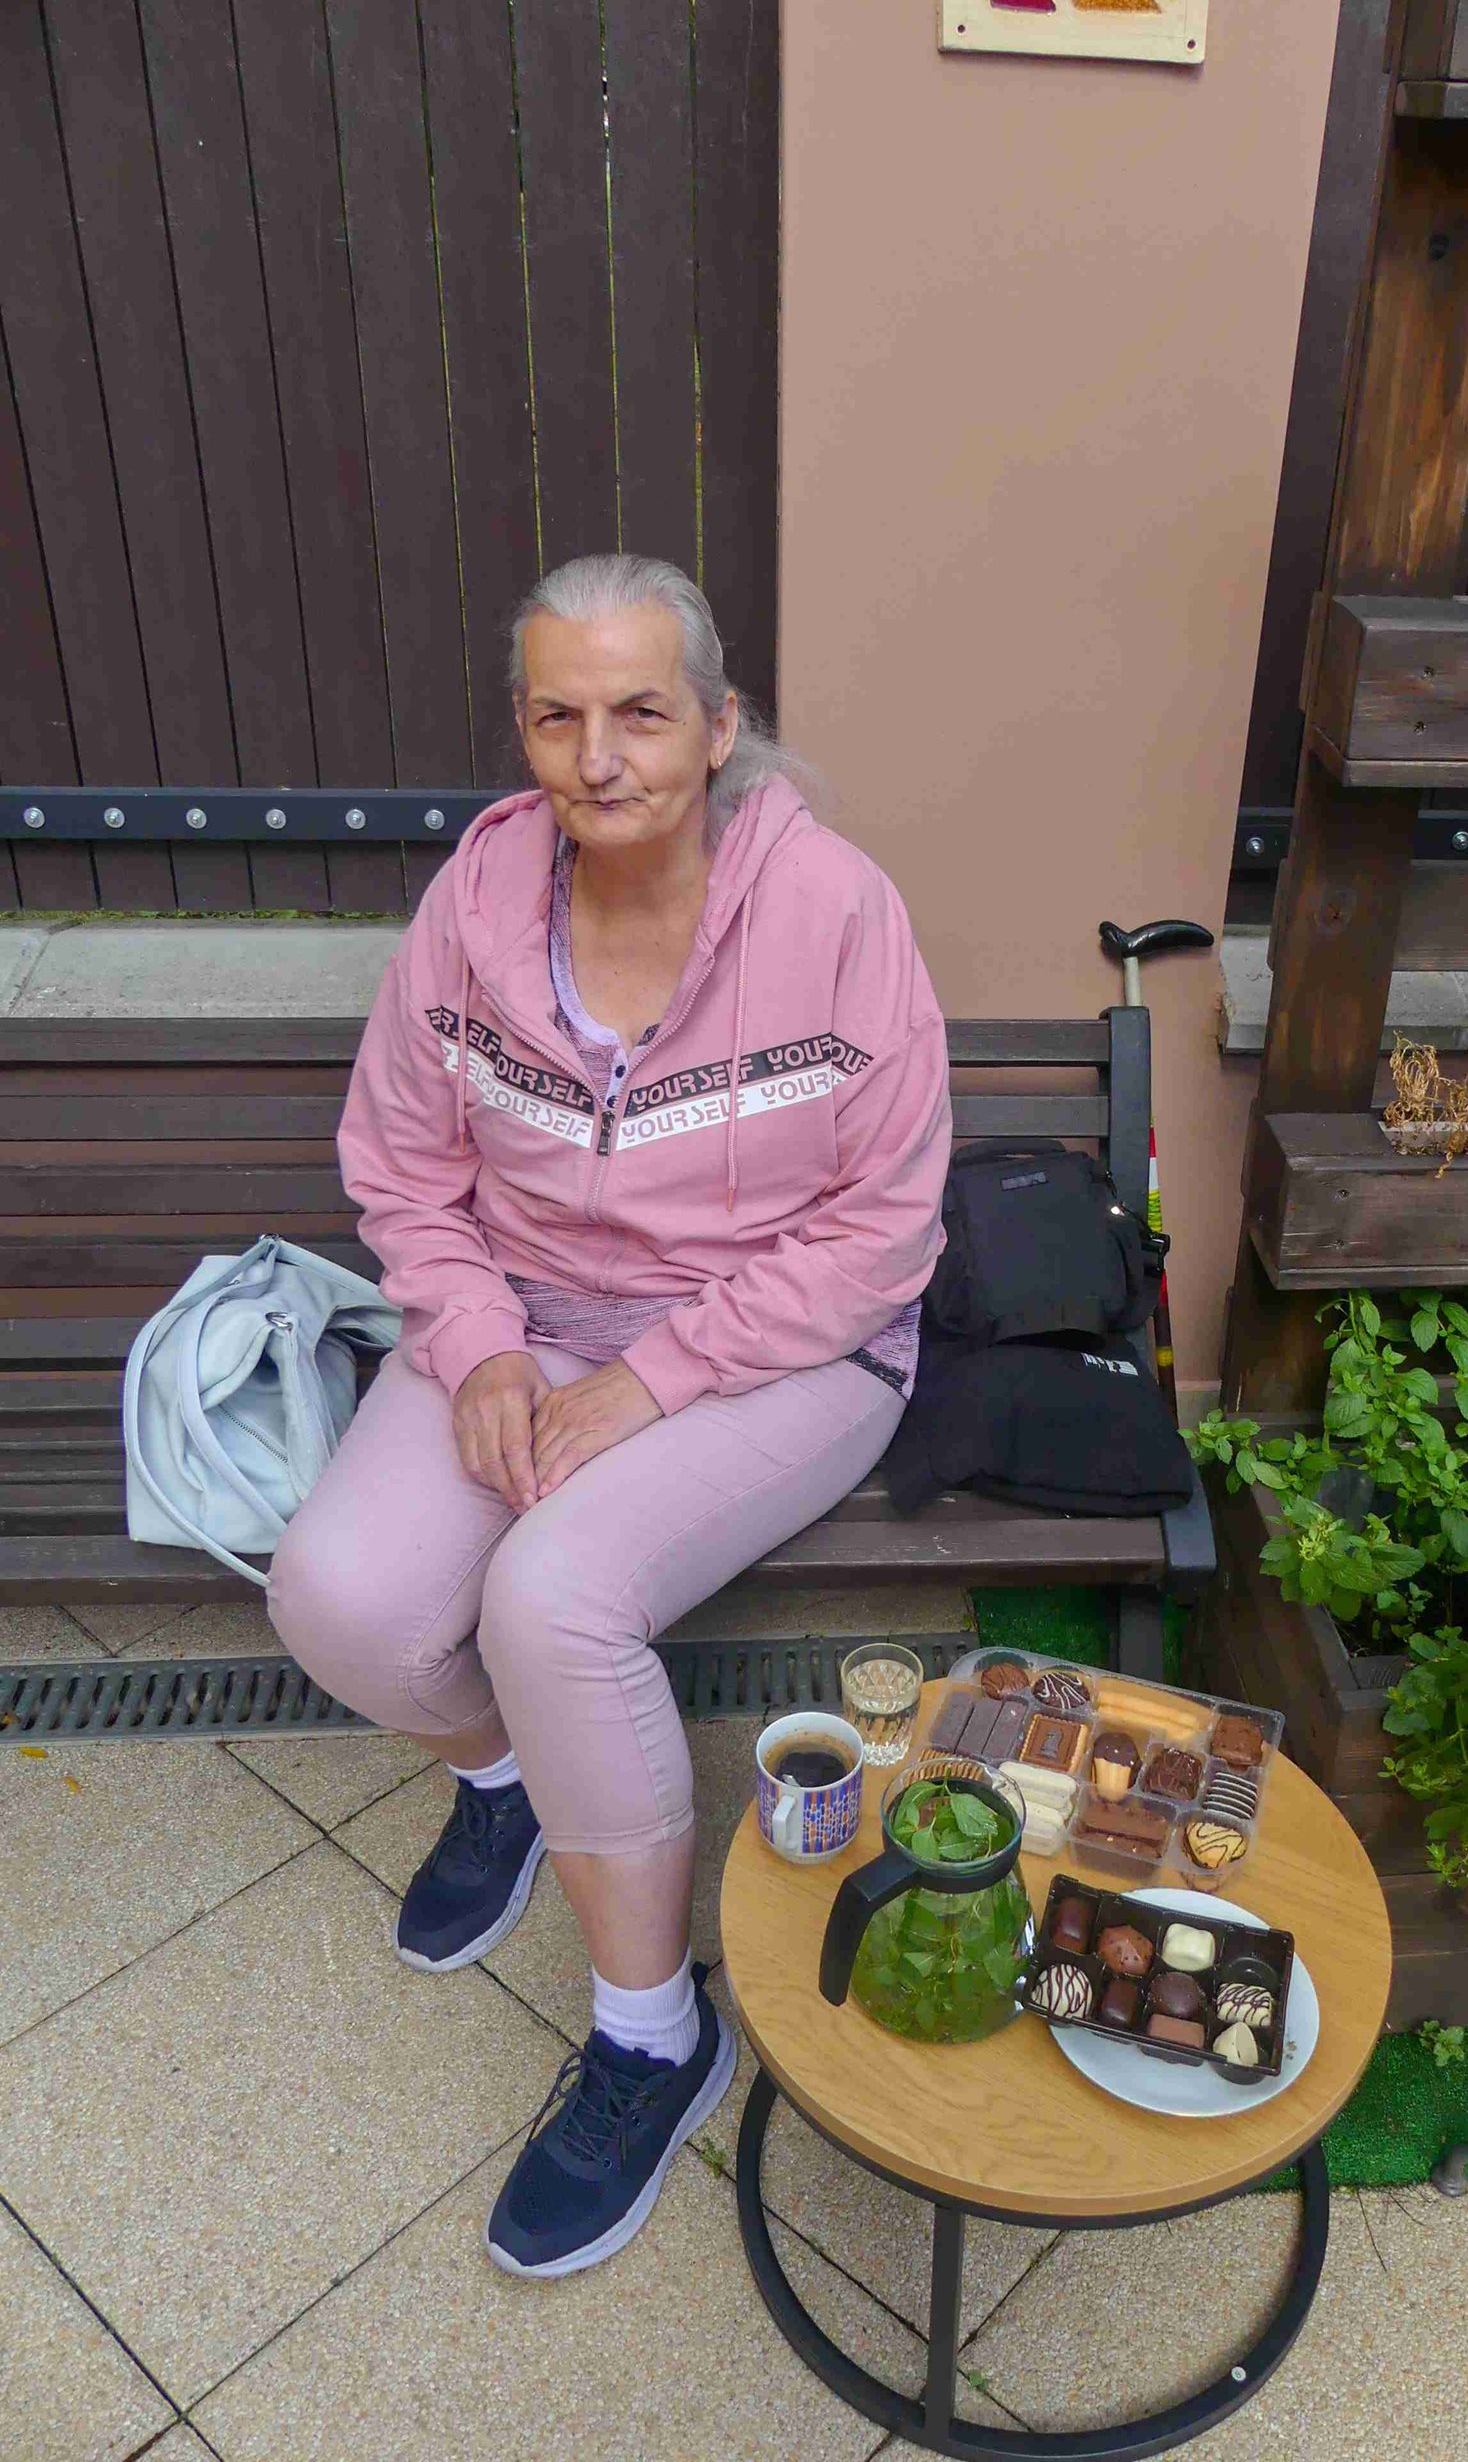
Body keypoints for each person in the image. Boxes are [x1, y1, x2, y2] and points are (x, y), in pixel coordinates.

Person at [270, 555, 950, 2278]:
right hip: (528, 1319)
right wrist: (483, 1344)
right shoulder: (477, 900)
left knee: (553, 1597)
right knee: (337, 1600)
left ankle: (655, 2034)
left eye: (642, 712)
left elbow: (881, 1233)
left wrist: (651, 1378)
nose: (599, 756)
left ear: (719, 727)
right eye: (557, 715)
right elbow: (403, 1163)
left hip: (790, 1351)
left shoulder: (835, 913)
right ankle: (505, 1783)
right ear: (523, 732)